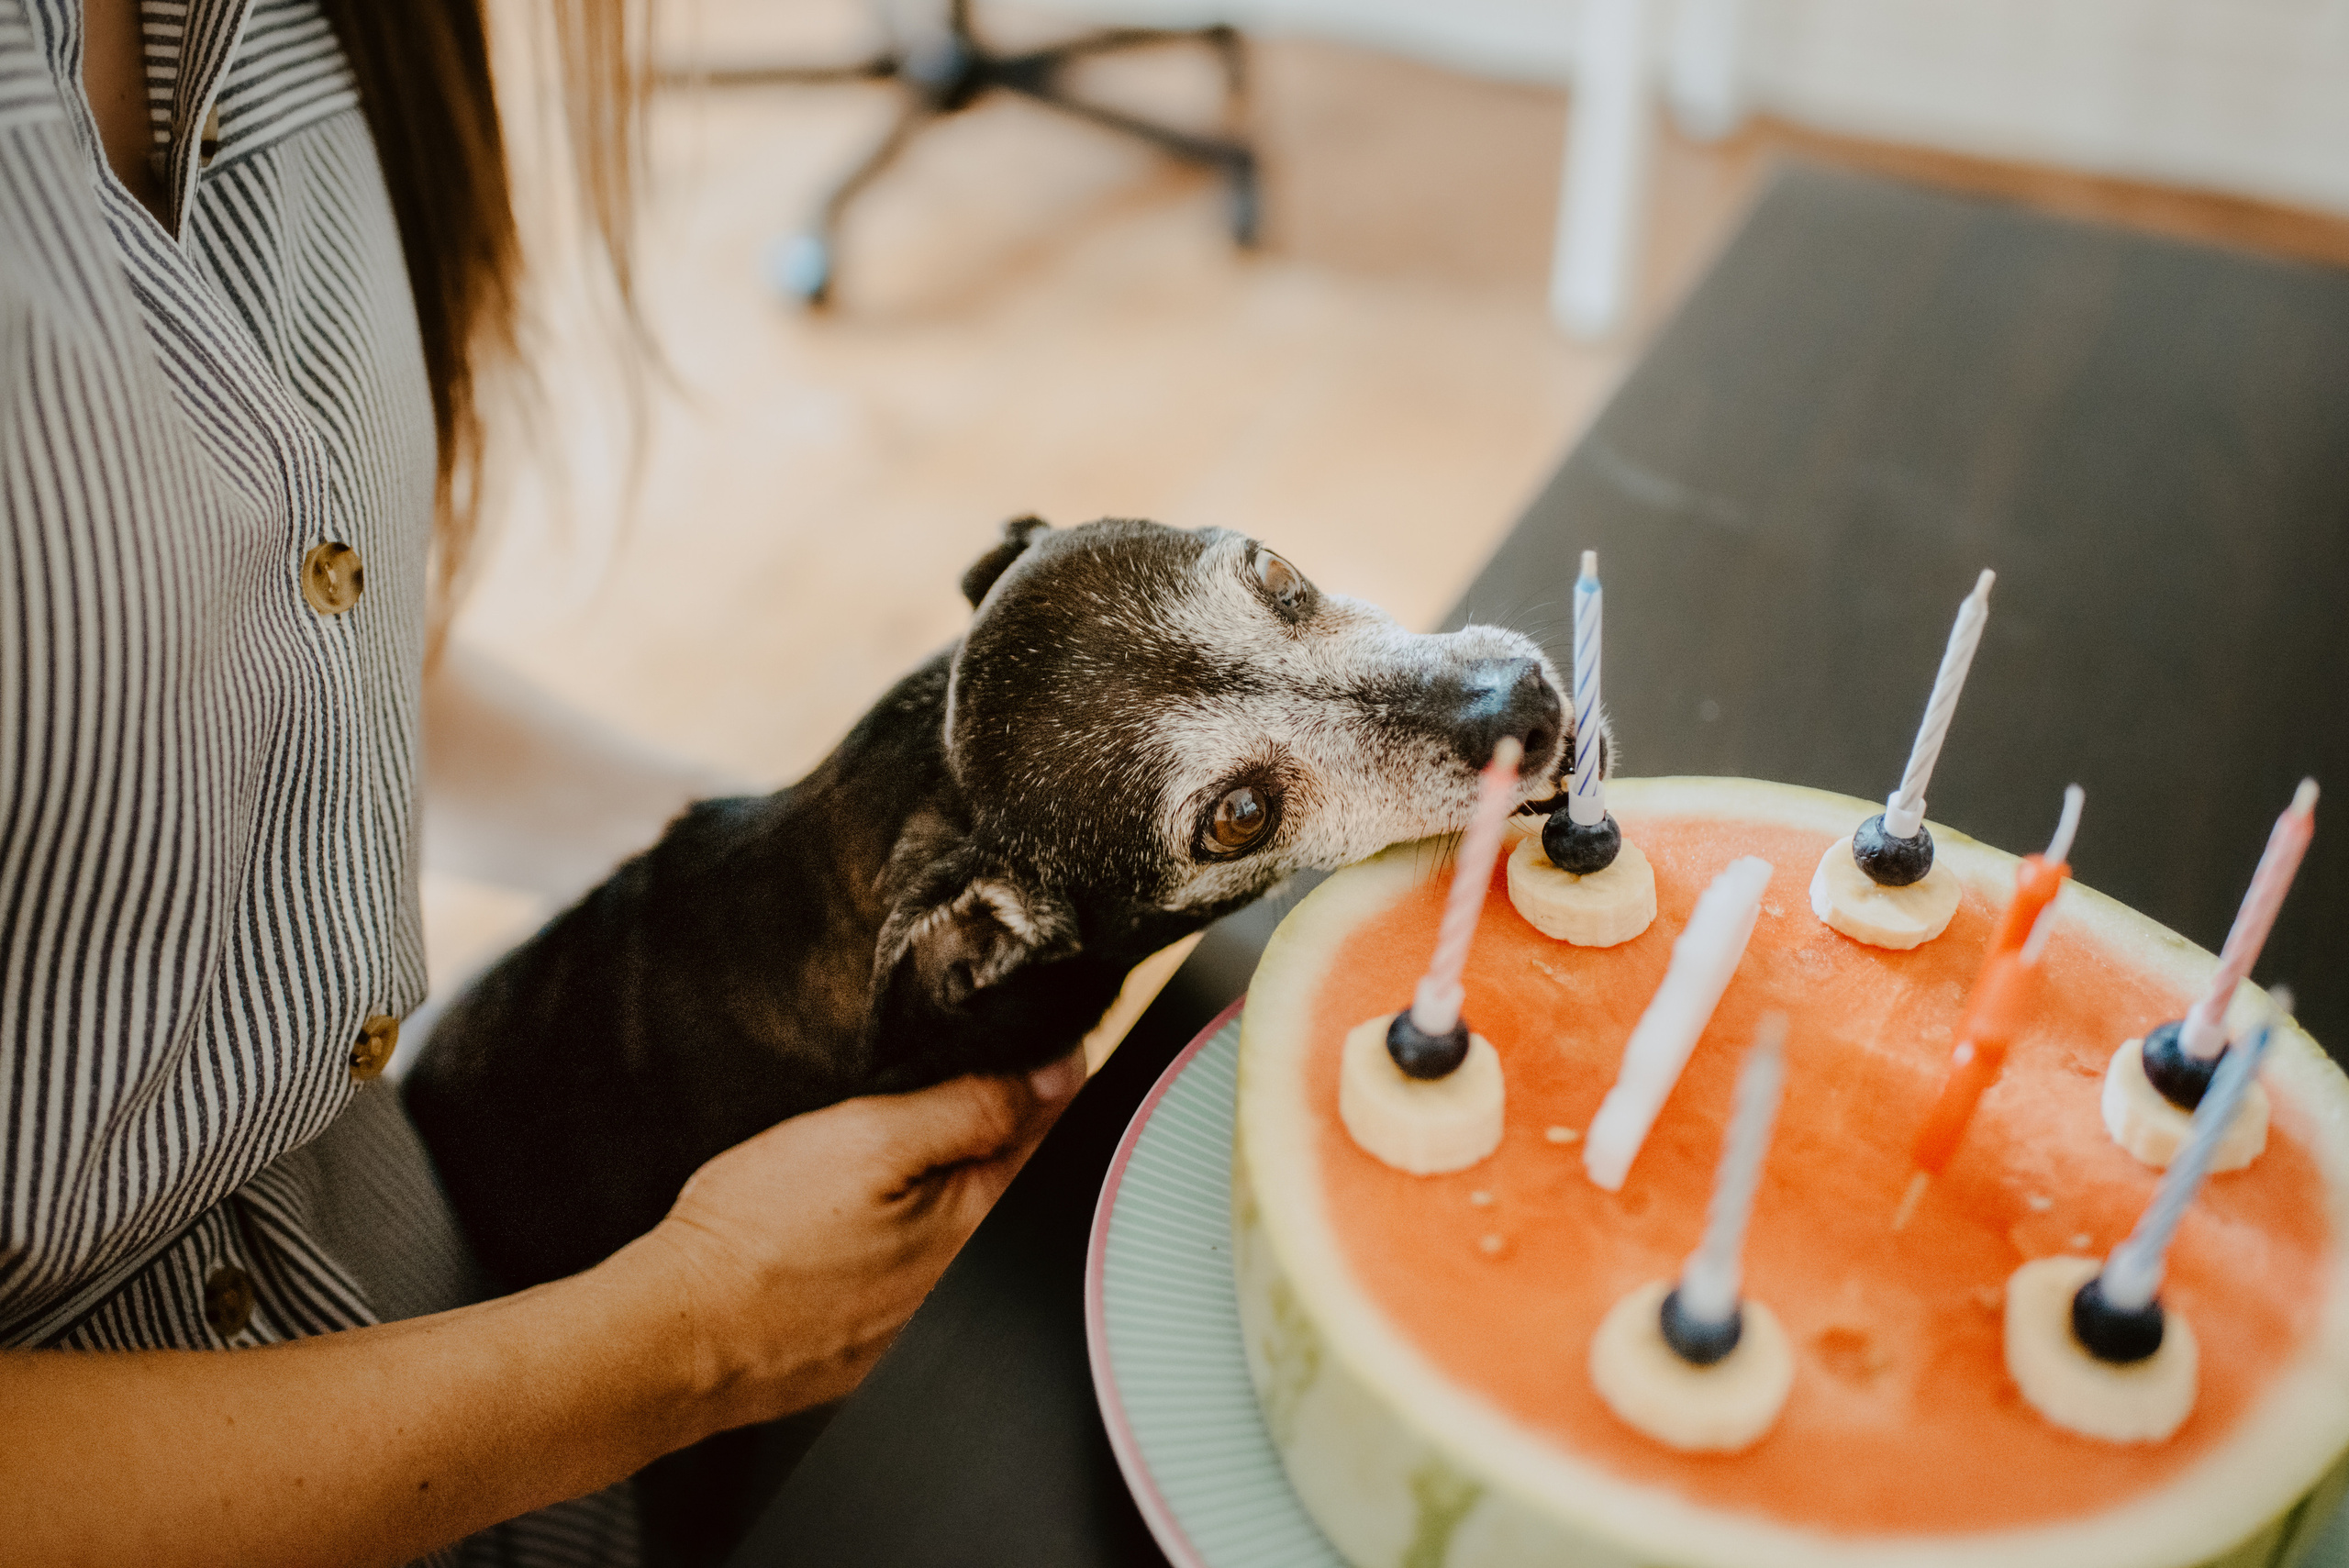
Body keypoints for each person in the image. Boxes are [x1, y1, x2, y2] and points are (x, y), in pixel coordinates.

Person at [0, 0, 1085, 1563]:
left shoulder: (299, 36)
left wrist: (791, 873)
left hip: (454, 1323)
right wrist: (684, 1344)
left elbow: (253, 656)